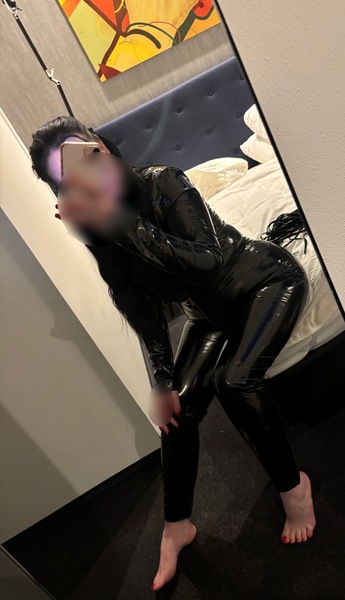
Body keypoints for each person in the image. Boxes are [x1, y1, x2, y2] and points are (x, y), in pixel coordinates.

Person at [29, 116, 316, 592]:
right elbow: (139, 306)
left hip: (264, 281)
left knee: (234, 383)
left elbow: (209, 263)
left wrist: (122, 221)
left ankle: (294, 486)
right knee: (174, 409)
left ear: (101, 145)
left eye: (85, 153)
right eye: (67, 175)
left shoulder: (162, 181)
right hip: (209, 314)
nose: (86, 172)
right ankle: (176, 524)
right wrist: (162, 378)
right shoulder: (98, 228)